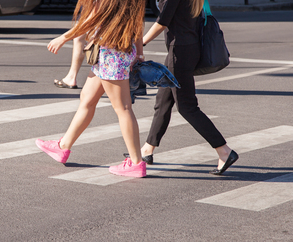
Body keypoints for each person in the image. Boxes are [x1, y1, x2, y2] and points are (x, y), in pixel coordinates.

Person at [36, 0, 147, 177]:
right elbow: (137, 24)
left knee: (123, 108)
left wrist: (63, 38)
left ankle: (136, 163)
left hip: (110, 55)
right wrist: (139, 53)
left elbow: (90, 21)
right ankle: (62, 147)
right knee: (87, 99)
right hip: (116, 52)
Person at [139, 0, 238, 175]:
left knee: (187, 107)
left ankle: (224, 150)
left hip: (179, 51)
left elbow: (162, 22)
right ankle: (148, 149)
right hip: (187, 47)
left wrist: (140, 43)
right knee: (163, 100)